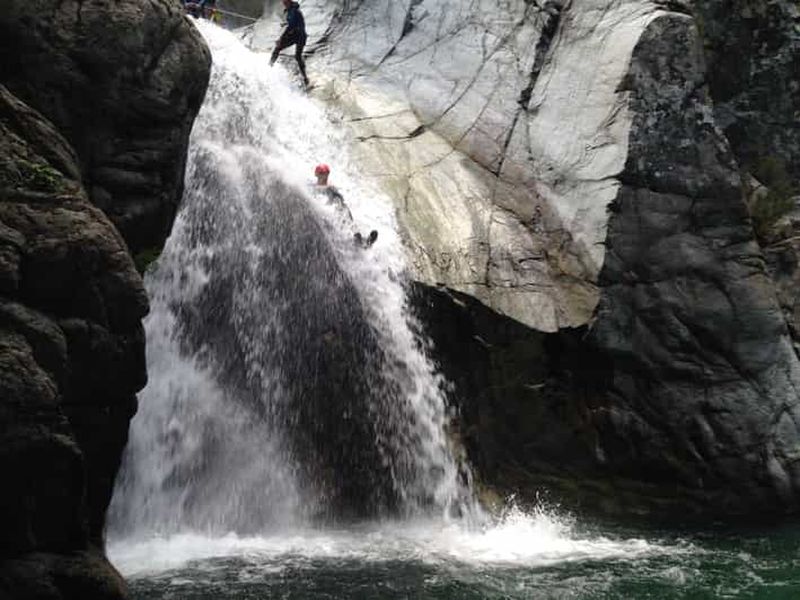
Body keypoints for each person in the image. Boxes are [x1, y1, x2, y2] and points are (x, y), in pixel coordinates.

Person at [314, 164, 378, 249]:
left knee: (352, 227)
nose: (324, 175)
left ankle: (365, 243)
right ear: (317, 174)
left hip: (341, 209)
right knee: (345, 230)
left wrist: (335, 206)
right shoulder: (315, 186)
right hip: (334, 210)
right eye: (322, 173)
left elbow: (338, 198)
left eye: (326, 173)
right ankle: (361, 242)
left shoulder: (330, 187)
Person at [269, 0, 310, 88]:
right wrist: (286, 23)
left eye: (285, 2)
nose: (284, 4)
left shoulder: (294, 11)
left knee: (296, 55)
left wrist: (281, 39)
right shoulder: (291, 10)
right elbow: (293, 23)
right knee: (293, 54)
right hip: (298, 35)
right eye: (283, 2)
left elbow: (291, 27)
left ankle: (305, 78)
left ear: (289, 2)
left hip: (300, 36)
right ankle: (305, 79)